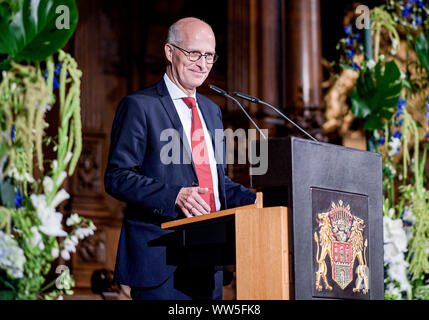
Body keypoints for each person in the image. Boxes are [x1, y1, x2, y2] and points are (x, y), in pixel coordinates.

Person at [104, 17, 256, 300]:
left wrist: (259, 201)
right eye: (193, 53)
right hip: (161, 261)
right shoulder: (140, 106)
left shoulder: (212, 112)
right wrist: (175, 195)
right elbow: (117, 177)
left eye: (209, 55)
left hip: (208, 262)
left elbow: (215, 182)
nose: (202, 64)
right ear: (169, 52)